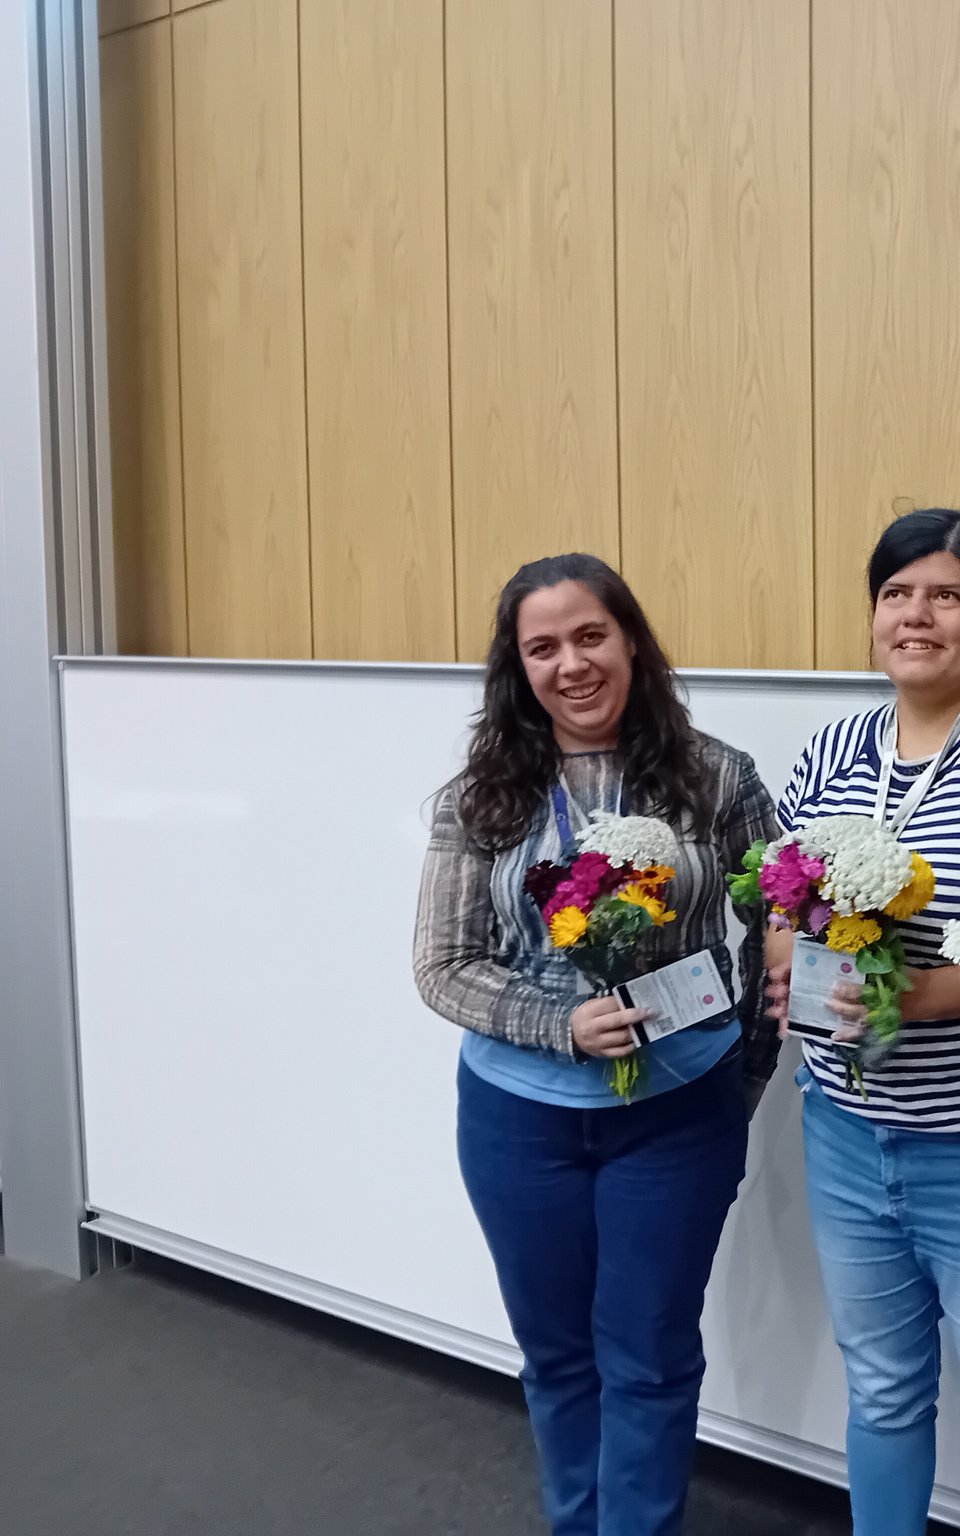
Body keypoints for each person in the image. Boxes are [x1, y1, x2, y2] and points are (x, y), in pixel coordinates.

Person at [413, 553, 778, 1536]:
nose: (570, 664)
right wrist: (559, 1026)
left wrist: (743, 1069)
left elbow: (783, 916)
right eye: (542, 648)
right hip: (518, 1125)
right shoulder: (480, 798)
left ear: (630, 643)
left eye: (589, 636)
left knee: (650, 1355)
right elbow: (442, 965)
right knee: (559, 1355)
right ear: (518, 668)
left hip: (677, 1118)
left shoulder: (716, 776)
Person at [767, 509, 960, 1535]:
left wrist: (916, 999)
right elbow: (780, 904)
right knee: (882, 1392)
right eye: (896, 593)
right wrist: (788, 967)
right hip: (846, 1134)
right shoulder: (833, 749)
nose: (917, 615)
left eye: (947, 595)